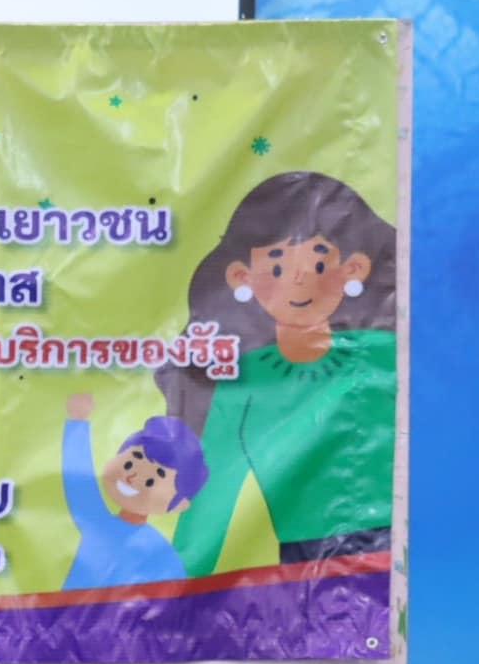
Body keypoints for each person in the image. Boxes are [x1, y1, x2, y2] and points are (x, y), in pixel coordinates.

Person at [157, 171, 397, 578]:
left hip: (398, 543)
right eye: (277, 265)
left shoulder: (387, 354)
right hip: (304, 560)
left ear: (352, 269)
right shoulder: (242, 379)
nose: (299, 279)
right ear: (242, 277)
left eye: (318, 261)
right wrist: (179, 586)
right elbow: (217, 483)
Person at [59, 393, 208, 590]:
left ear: (180, 504)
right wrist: (78, 423)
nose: (132, 478)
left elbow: (174, 595)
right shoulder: (98, 522)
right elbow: (79, 483)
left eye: (151, 480)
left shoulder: (161, 554)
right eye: (129, 464)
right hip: (71, 609)